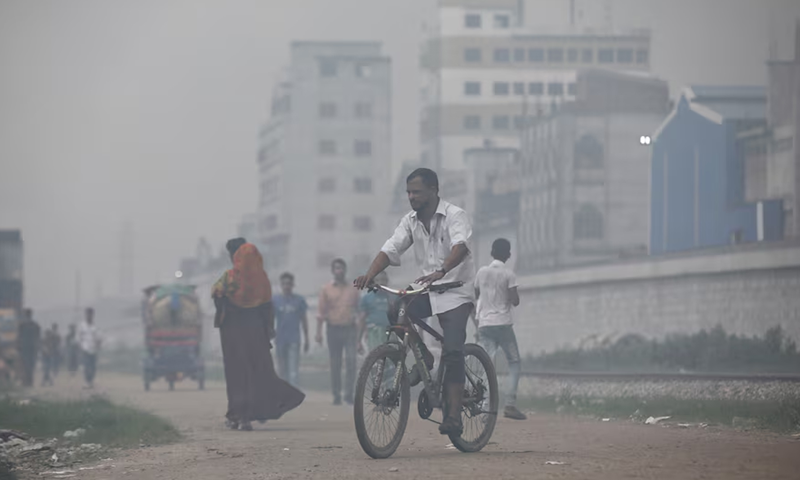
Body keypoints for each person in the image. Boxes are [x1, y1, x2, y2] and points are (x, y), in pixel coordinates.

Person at [354, 167, 476, 436]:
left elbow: (461, 246)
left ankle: (454, 415)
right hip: (427, 288)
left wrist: (443, 270)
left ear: (434, 190)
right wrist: (369, 275)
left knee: (454, 350)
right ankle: (423, 357)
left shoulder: (455, 215)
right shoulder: (410, 221)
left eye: (417, 192)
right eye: (408, 192)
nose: (411, 196)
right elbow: (391, 248)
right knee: (395, 308)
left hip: (456, 290)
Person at [212, 238, 304, 431]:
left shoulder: (229, 278)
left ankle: (238, 415)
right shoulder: (262, 281)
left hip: (233, 337)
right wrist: (268, 330)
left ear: (234, 256)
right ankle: (248, 416)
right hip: (256, 336)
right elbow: (267, 310)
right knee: (258, 373)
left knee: (236, 375)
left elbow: (217, 298)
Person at [474, 238, 526, 420]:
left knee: (487, 366)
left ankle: (484, 409)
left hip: (485, 324)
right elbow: (515, 301)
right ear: (509, 255)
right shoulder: (509, 274)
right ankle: (510, 404)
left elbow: (477, 296)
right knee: (514, 361)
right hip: (503, 324)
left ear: (491, 252)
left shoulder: (481, 272)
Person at [316, 258, 360, 405]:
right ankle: (336, 394)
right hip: (333, 329)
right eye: (336, 268)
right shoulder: (326, 289)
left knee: (351, 361)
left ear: (345, 270)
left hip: (349, 329)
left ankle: (348, 394)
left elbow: (358, 311)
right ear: (333, 271)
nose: (339, 271)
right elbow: (321, 312)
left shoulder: (353, 289)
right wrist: (318, 332)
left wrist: (360, 335)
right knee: (335, 363)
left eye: (341, 268)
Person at [273, 272, 309, 387]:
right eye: (284, 284)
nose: (286, 286)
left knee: (293, 371)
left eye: (289, 284)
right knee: (282, 370)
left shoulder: (299, 301)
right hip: (280, 340)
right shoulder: (275, 300)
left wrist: (307, 338)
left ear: (293, 285)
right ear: (281, 285)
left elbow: (304, 320)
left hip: (294, 339)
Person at [356, 271, 392, 354]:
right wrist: (358, 341)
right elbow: (362, 319)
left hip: (390, 333)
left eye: (383, 280)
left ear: (387, 281)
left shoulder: (393, 297)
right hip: (374, 334)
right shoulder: (367, 298)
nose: (381, 283)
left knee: (391, 362)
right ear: (374, 282)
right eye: (378, 280)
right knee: (375, 360)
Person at [16, 309, 41, 387]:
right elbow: (38, 338)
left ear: (25, 315)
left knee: (25, 364)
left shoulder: (22, 325)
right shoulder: (36, 325)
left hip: (24, 348)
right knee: (31, 365)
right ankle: (30, 381)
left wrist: (18, 347)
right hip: (33, 348)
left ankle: (26, 382)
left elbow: (19, 337)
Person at [78, 308, 102, 388]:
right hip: (85, 349)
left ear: (93, 315)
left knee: (93, 367)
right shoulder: (82, 326)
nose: (89, 316)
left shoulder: (95, 326)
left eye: (90, 314)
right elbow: (79, 337)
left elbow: (99, 338)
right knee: (86, 366)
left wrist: (98, 345)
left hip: (94, 350)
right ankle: (87, 381)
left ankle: (91, 381)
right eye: (87, 314)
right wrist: (80, 346)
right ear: (85, 315)